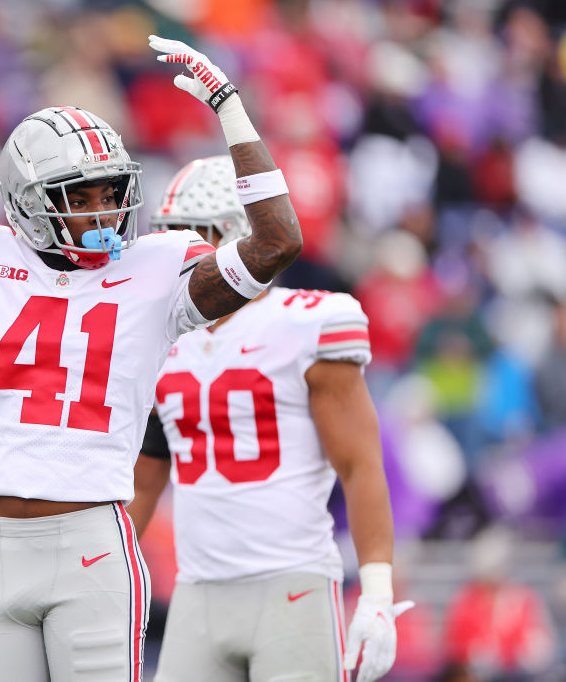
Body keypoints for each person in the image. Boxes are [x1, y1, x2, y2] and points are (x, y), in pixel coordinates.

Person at [0, 31, 303, 680]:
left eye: (110, 192)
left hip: (92, 547)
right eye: (77, 198)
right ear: (26, 202)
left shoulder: (157, 267)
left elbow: (277, 241)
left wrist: (229, 108)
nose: (103, 211)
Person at [127, 155, 412, 682]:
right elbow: (144, 479)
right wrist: (102, 574)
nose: (175, 251)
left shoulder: (307, 324)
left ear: (237, 236)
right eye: (166, 235)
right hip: (197, 589)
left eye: (191, 234)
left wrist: (376, 593)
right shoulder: (161, 337)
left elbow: (359, 465)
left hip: (291, 585)